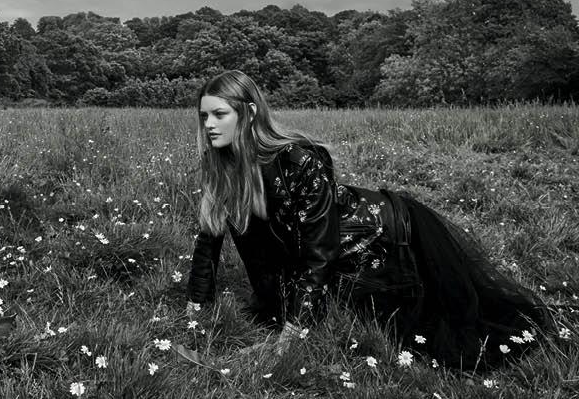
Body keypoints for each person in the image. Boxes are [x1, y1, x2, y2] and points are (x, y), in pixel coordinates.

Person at [186, 70, 551, 369]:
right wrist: (197, 303)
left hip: (380, 235)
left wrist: (294, 331)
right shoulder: (221, 166)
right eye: (204, 116)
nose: (209, 125)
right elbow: (209, 237)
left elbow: (319, 251)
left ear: (249, 113)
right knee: (282, 312)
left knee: (437, 324)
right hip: (340, 248)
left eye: (219, 114)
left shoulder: (299, 161)